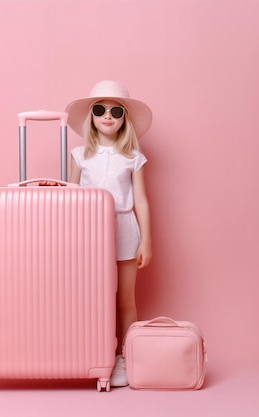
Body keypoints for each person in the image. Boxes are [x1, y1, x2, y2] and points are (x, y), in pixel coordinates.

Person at [65, 80, 153, 387]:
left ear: (124, 118)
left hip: (124, 230)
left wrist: (146, 240)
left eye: (116, 111)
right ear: (91, 116)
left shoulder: (132, 158)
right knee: (90, 296)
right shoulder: (79, 155)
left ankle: (125, 357)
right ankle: (92, 351)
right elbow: (70, 195)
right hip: (87, 233)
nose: (108, 116)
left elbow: (140, 199)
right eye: (100, 110)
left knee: (124, 299)